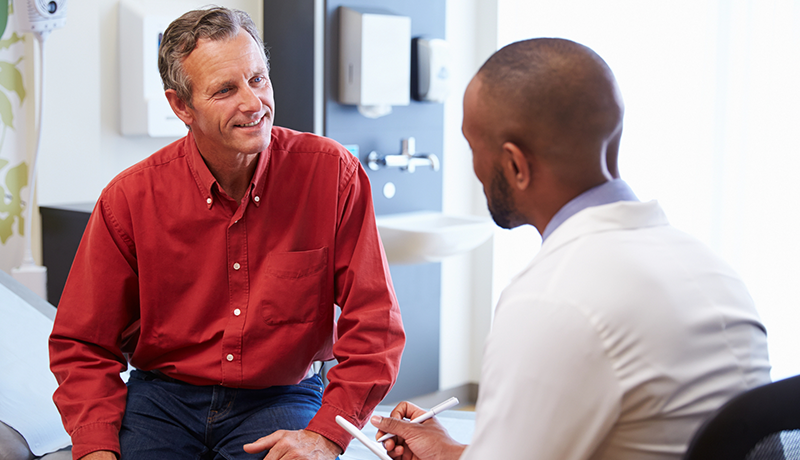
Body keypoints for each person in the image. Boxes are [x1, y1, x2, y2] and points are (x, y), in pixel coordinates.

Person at [371, 38, 771, 460]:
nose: (473, 170)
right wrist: (451, 452)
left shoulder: (552, 298)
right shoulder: (711, 269)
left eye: (473, 148)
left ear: (515, 166)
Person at [49, 7, 404, 460]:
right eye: (225, 90)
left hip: (280, 395)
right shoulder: (129, 199)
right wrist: (96, 446)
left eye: (258, 79)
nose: (254, 103)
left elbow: (375, 323)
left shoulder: (333, 174)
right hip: (163, 400)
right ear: (181, 106)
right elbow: (81, 343)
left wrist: (326, 435)